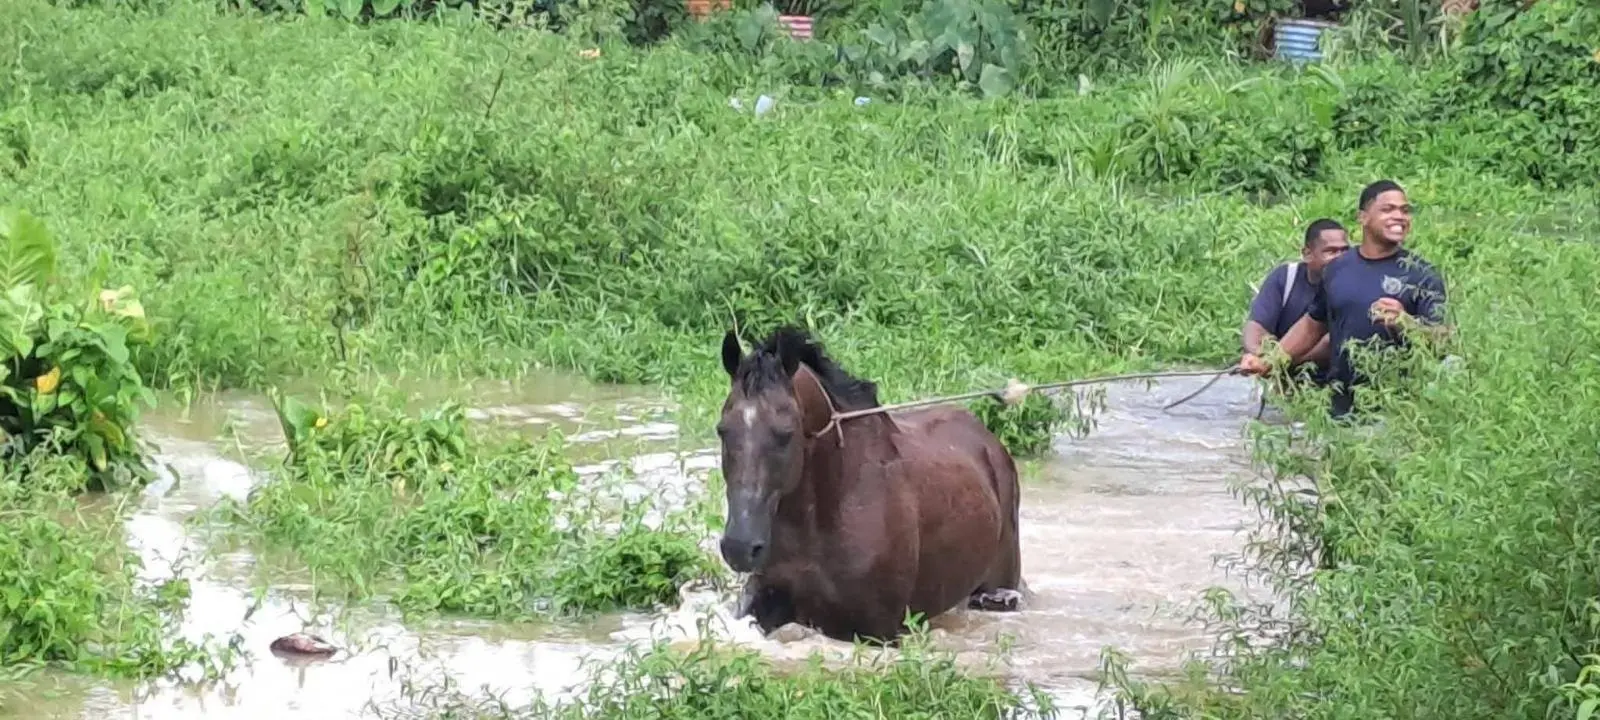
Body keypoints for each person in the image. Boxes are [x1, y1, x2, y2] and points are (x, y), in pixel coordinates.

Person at [1239, 180, 1449, 418]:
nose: (1399, 216)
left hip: (1399, 413)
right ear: (1363, 217)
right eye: (1388, 209)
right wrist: (1269, 362)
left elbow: (1443, 341)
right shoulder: (1338, 269)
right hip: (1339, 409)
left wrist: (1406, 324)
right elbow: (1311, 326)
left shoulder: (1422, 274)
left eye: (1404, 210)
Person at [1240, 218, 1351, 387]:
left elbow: (1331, 342)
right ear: (1307, 254)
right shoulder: (1285, 278)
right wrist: (1257, 355)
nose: (1340, 258)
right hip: (1286, 382)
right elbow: (1256, 326)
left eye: (1345, 251)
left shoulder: (1352, 285)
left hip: (1333, 383)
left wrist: (1275, 364)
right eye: (1331, 252)